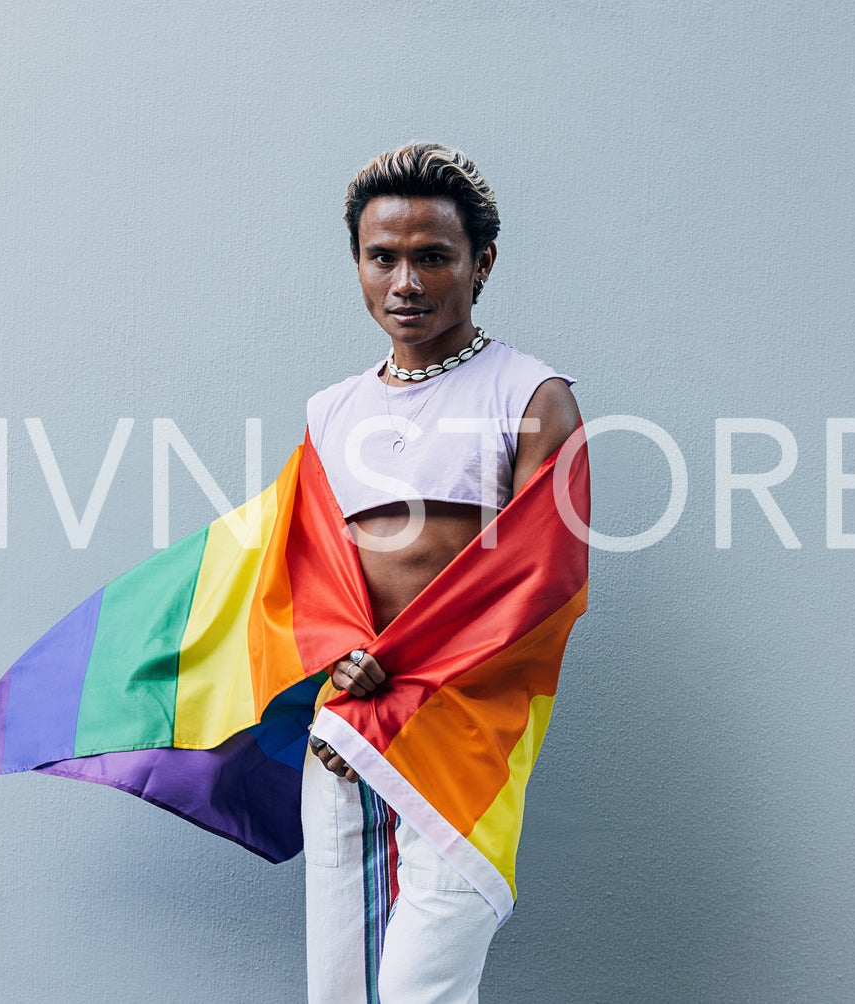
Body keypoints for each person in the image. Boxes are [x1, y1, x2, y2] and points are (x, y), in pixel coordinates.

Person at [301, 142, 582, 1003]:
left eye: (432, 257)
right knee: (343, 991)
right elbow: (304, 571)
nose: (405, 282)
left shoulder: (531, 395)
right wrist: (338, 663)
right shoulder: (330, 409)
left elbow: (546, 581)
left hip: (463, 736)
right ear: (356, 262)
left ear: (480, 262)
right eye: (381, 257)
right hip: (347, 730)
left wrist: (403, 676)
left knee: (425, 989)